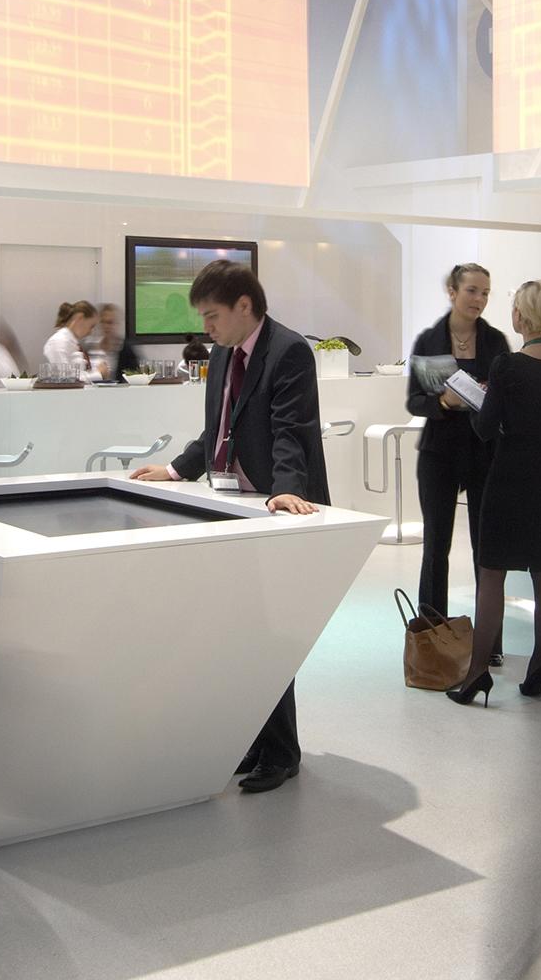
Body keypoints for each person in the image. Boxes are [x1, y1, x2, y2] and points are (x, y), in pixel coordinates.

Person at [130, 261, 327, 794]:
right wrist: (177, 469)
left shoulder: (289, 351)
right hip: (232, 504)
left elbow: (292, 429)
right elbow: (216, 428)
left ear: (244, 305)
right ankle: (257, 741)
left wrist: (287, 488)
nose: (206, 327)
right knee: (243, 628)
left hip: (273, 505)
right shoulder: (221, 354)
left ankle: (281, 753)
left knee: (271, 632)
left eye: (212, 315)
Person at [447, 280, 541, 706]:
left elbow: (486, 429)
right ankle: (539, 667)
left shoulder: (507, 366)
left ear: (521, 315)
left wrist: (478, 403)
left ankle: (476, 673)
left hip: (509, 476)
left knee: (492, 572)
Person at [407, 263, 511, 661]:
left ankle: (489, 645)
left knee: (487, 552)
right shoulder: (429, 339)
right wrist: (443, 402)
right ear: (452, 292)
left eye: (485, 292)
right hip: (439, 454)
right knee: (436, 548)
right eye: (472, 290)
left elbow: (508, 399)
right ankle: (431, 639)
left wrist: (490, 397)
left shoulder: (496, 341)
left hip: (484, 453)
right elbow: (414, 401)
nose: (479, 299)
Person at [41, 300, 98, 376]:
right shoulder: (58, 342)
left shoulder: (72, 344)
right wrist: (98, 374)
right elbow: (66, 378)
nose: (90, 332)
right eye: (91, 326)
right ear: (80, 318)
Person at [93, 302, 144, 382]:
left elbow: (136, 376)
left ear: (116, 324)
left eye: (110, 322)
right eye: (103, 322)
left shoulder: (126, 350)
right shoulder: (91, 347)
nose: (106, 326)